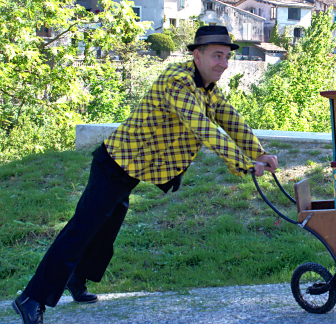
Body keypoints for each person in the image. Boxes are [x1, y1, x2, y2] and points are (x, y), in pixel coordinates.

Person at [12, 26, 279, 324]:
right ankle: (31, 298)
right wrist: (243, 163)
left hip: (131, 170)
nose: (224, 63)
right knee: (81, 230)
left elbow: (230, 119)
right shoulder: (178, 82)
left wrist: (258, 153)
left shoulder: (206, 88)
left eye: (227, 57)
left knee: (104, 231)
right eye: (217, 55)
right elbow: (203, 127)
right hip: (113, 165)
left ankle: (76, 279)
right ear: (197, 55)